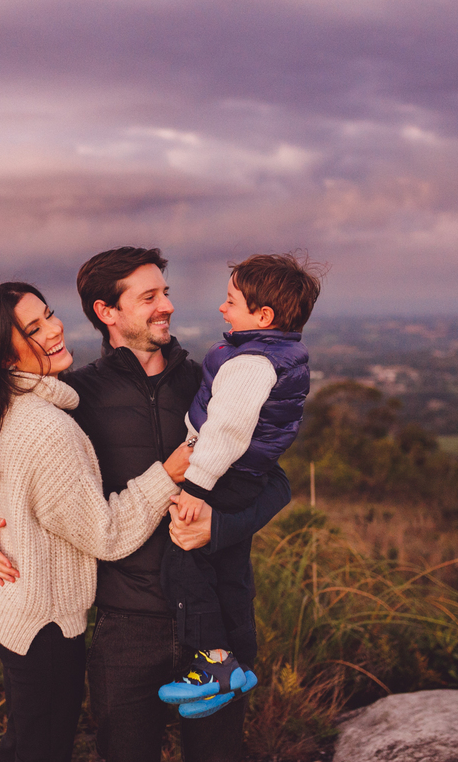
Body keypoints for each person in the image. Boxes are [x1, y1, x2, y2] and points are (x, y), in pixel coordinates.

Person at [0, 248, 293, 762]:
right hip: (125, 628)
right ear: (108, 312)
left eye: (165, 292)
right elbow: (28, 483)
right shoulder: (75, 399)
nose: (166, 305)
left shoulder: (211, 387)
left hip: (217, 622)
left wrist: (220, 525)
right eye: (149, 297)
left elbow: (276, 482)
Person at [0, 281, 193, 762]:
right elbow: (105, 535)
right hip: (43, 619)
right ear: (5, 356)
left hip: (13, 606)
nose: (54, 328)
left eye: (48, 314)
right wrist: (167, 474)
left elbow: (11, 498)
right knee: (42, 747)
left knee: (25, 739)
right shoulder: (47, 427)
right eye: (34, 328)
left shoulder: (8, 407)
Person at [157, 253, 320, 719]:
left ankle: (213, 663)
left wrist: (195, 489)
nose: (223, 308)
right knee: (229, 571)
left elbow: (224, 432)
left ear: (263, 316)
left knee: (182, 562)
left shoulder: (250, 363)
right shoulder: (277, 353)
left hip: (223, 475)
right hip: (248, 476)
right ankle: (240, 664)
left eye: (231, 301)